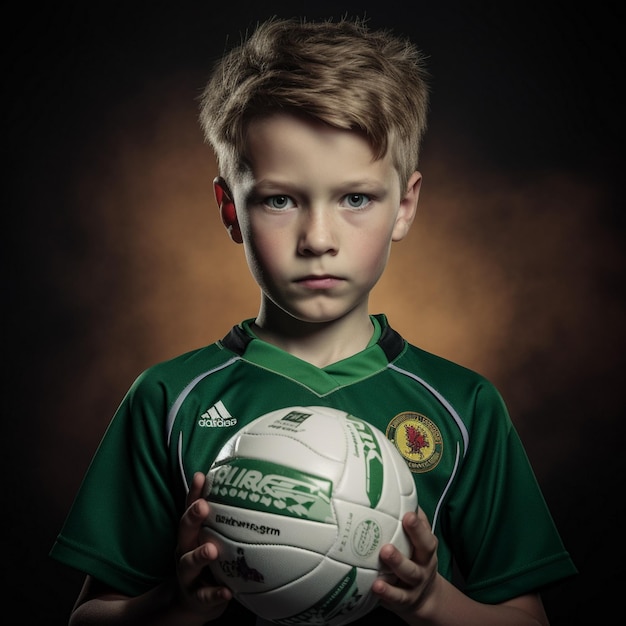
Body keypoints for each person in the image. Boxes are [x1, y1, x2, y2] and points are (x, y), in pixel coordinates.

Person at [50, 16, 577, 626]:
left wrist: (434, 604)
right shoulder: (169, 399)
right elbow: (88, 617)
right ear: (230, 210)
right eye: (280, 199)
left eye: (356, 198)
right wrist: (175, 603)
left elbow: (528, 620)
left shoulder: (464, 404)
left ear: (404, 205)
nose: (318, 239)